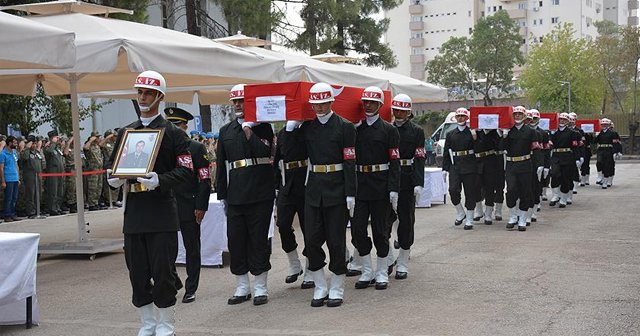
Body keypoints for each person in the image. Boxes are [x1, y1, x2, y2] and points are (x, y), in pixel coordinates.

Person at [106, 70, 192, 336]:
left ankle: (166, 323)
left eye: (149, 93)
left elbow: (187, 170)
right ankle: (147, 323)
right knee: (137, 272)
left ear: (160, 97)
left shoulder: (173, 133)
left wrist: (161, 179)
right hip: (134, 212)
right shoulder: (126, 132)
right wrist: (113, 179)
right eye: (140, 92)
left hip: (161, 211)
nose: (143, 97)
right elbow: (112, 167)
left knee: (163, 271)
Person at [291, 82, 356, 307]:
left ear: (331, 102)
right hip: (314, 189)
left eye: (322, 104)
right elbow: (291, 153)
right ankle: (320, 286)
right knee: (312, 239)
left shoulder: (345, 127)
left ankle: (336, 287)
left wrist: (351, 193)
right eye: (315, 105)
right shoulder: (307, 128)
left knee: (336, 241)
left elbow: (350, 161)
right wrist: (291, 129)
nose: (319, 108)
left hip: (337, 189)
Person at [216, 83, 275, 306]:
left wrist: (250, 130)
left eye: (242, 100)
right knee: (236, 241)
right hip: (236, 194)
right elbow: (222, 166)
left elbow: (264, 153)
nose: (239, 105)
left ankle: (260, 286)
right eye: (236, 101)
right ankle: (242, 286)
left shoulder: (264, 128)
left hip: (260, 193)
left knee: (258, 241)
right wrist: (222, 194)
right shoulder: (226, 131)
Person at [351, 86, 399, 291]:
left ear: (380, 105)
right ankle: (367, 270)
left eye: (372, 102)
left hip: (380, 185)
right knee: (357, 231)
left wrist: (393, 188)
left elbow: (394, 161)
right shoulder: (355, 130)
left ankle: (381, 271)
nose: (368, 105)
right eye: (365, 102)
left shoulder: (389, 130)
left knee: (381, 232)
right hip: (360, 185)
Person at [165, 107, 211, 304]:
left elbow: (204, 179)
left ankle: (191, 287)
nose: (174, 129)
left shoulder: (196, 149)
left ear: (185, 126)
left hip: (189, 204)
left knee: (192, 248)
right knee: (166, 250)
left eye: (177, 125)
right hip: (167, 205)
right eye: (171, 125)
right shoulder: (164, 148)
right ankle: (174, 282)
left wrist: (201, 205)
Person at [274, 119, 315, 289]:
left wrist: (294, 129)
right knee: (282, 224)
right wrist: (276, 186)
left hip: (306, 183)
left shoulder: (309, 128)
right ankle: (294, 263)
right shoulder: (284, 132)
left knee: (309, 229)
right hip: (287, 184)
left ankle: (311, 267)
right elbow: (278, 159)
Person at [388, 93, 424, 280]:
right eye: (396, 110)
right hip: (388, 177)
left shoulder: (416, 131)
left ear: (409, 111)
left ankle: (402, 259)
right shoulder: (387, 128)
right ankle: (387, 257)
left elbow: (419, 157)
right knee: (386, 218)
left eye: (403, 110)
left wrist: (419, 182)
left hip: (407, 177)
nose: (399, 113)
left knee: (406, 218)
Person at [500, 106, 543, 231]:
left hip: (525, 164)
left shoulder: (531, 132)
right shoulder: (509, 131)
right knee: (511, 190)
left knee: (525, 191)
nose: (517, 116)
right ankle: (513, 216)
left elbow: (536, 149)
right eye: (515, 114)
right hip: (511, 164)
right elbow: (501, 148)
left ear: (524, 116)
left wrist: (539, 164)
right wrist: (504, 135)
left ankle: (523, 218)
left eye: (520, 114)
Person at [442, 107, 477, 230]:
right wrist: (444, 168)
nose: (461, 118)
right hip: (455, 165)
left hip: (470, 165)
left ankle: (470, 218)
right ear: (455, 118)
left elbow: (478, 148)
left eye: (463, 116)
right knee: (453, 190)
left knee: (470, 192)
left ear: (467, 118)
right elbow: (446, 152)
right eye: (458, 116)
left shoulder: (472, 133)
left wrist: (475, 137)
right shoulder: (451, 134)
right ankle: (460, 212)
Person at [548, 113, 582, 208]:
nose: (561, 121)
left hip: (567, 157)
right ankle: (555, 195)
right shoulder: (553, 132)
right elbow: (550, 143)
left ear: (567, 121)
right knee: (554, 174)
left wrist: (577, 159)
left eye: (564, 120)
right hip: (556, 156)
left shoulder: (573, 133)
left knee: (565, 178)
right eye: (560, 119)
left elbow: (575, 147)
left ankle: (563, 198)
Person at [20, 135, 44, 219]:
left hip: (37, 176)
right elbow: (25, 158)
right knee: (31, 193)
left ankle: (37, 210)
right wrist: (27, 148)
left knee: (38, 194)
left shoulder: (36, 153)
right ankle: (31, 211)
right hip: (29, 176)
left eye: (35, 143)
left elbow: (41, 164)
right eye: (33, 143)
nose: (35, 144)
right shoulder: (26, 152)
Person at [595, 118, 622, 189]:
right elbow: (594, 141)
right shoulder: (600, 133)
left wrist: (617, 152)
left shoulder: (613, 133)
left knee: (607, 166)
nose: (604, 125)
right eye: (602, 124)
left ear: (608, 125)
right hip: (601, 150)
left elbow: (616, 143)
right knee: (599, 163)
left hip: (609, 150)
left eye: (605, 124)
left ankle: (605, 182)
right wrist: (594, 135)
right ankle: (600, 176)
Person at [43, 130, 65, 216]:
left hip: (60, 171)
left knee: (60, 190)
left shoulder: (57, 148)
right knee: (53, 190)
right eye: (56, 137)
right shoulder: (49, 147)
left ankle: (58, 207)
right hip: (53, 171)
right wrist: (52, 143)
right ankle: (52, 208)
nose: (58, 139)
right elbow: (49, 152)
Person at [0, 136, 21, 222]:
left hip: (15, 178)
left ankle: (13, 213)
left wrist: (18, 178)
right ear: (9, 143)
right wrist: (3, 181)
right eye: (14, 142)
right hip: (8, 178)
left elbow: (16, 165)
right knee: (8, 198)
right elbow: (1, 168)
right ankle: (7, 215)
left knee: (14, 197)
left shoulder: (14, 152)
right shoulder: (3, 154)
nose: (16, 144)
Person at [84, 131, 105, 211]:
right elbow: (85, 148)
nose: (99, 138)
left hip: (99, 169)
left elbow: (102, 144)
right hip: (92, 170)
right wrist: (90, 140)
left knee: (98, 187)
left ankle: (96, 202)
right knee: (92, 187)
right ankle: (92, 204)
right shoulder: (89, 145)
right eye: (97, 137)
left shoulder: (97, 146)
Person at [101, 129, 121, 207]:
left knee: (116, 183)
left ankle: (114, 200)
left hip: (116, 165)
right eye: (114, 136)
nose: (115, 137)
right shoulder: (106, 144)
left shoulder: (114, 144)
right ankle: (109, 200)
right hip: (108, 166)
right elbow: (101, 145)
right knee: (108, 184)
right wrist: (107, 138)